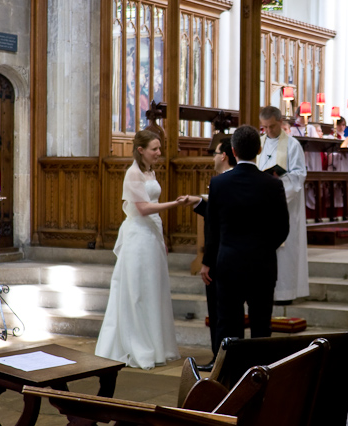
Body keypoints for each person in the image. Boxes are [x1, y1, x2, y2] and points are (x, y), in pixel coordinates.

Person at [95, 130, 188, 369]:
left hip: (152, 234)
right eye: (154, 149)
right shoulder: (133, 173)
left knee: (153, 288)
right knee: (137, 290)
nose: (159, 153)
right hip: (138, 236)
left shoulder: (149, 171)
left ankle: (157, 343)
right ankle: (138, 343)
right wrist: (175, 204)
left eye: (159, 148)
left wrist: (162, 237)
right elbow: (144, 208)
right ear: (141, 150)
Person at [203, 125, 289, 343]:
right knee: (261, 326)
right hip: (263, 264)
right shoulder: (273, 184)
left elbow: (212, 228)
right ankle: (261, 372)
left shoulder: (219, 183)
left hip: (229, 263)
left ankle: (231, 374)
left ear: (233, 151)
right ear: (259, 150)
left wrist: (207, 261)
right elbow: (282, 228)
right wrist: (264, 248)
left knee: (229, 325)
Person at [185, 139, 236, 371]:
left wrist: (206, 261)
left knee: (219, 313)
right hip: (236, 255)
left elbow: (216, 225)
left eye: (215, 154)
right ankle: (225, 357)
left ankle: (220, 358)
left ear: (224, 155)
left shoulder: (222, 183)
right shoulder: (232, 181)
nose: (213, 158)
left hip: (220, 257)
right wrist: (198, 203)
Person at [258, 106, 309, 302]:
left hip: (283, 205)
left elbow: (298, 176)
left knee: (284, 250)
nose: (268, 131)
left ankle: (285, 293)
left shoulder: (292, 145)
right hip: (261, 206)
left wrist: (276, 184)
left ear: (280, 122)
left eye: (272, 126)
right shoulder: (259, 144)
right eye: (264, 127)